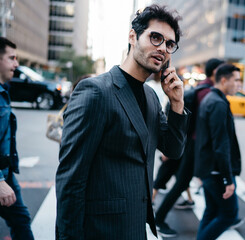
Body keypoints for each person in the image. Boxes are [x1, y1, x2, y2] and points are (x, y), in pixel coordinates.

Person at [56, 5, 189, 239]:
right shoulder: (95, 91)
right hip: (100, 230)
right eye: (155, 37)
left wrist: (177, 104)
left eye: (169, 44)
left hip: (136, 227)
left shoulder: (150, 97)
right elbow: (71, 179)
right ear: (132, 36)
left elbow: (173, 150)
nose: (162, 48)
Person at [154, 58, 224, 237]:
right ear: (216, 72)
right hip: (194, 148)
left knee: (180, 182)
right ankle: (159, 219)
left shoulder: (201, 91)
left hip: (189, 146)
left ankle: (221, 213)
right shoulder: (207, 93)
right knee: (181, 183)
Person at [194, 64, 243, 240]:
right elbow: (221, 145)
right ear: (224, 80)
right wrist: (228, 179)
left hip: (209, 169)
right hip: (215, 172)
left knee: (212, 210)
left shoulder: (212, 99)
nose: (240, 84)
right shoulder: (217, 103)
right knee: (229, 215)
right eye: (236, 80)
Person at [0, 37, 34, 239]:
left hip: (6, 171)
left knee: (21, 220)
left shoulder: (4, 91)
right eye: (11, 58)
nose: (16, 63)